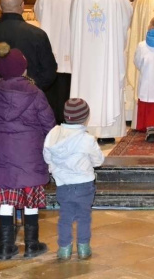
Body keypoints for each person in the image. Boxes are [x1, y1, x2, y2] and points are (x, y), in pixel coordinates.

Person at [0, 42, 56, 260]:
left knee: (5, 201)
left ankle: (5, 247)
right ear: (24, 68)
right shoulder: (36, 93)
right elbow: (49, 125)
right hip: (30, 155)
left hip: (3, 154)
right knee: (30, 200)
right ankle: (32, 245)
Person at [69, 0, 133, 142]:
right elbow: (127, 17)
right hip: (108, 53)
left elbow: (73, 22)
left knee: (85, 83)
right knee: (109, 82)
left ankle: (85, 129)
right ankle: (106, 133)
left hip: (85, 54)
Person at [43, 98, 104, 261]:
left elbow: (47, 156)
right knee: (84, 217)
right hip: (84, 184)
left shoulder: (53, 133)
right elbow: (98, 160)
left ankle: (64, 249)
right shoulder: (87, 139)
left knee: (65, 217)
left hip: (63, 184)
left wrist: (57, 168)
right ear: (85, 118)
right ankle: (83, 248)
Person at [0, 0, 57, 90]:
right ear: (22, 5)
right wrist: (32, 88)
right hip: (27, 98)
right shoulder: (38, 35)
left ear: (0, 6)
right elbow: (49, 72)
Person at [34, 0, 76, 123]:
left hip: (49, 44)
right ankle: (66, 119)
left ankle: (49, 119)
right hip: (68, 45)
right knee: (66, 87)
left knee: (50, 84)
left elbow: (38, 14)